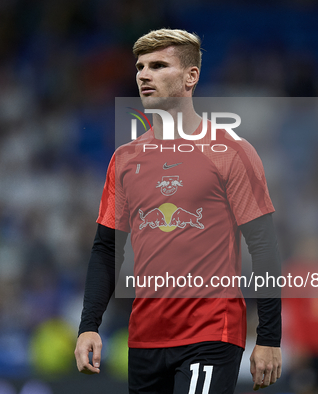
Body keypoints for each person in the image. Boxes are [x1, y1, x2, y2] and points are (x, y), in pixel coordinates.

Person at [74, 28, 282, 393]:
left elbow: (263, 246)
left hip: (211, 333)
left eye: (158, 65)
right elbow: (107, 248)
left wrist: (269, 337)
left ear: (191, 77)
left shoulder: (230, 151)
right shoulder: (125, 159)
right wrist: (89, 325)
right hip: (144, 339)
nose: (143, 74)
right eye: (140, 66)